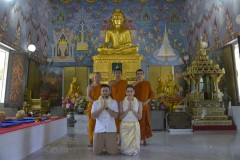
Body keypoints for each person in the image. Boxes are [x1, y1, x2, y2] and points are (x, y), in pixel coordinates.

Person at [91, 84, 119, 155]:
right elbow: (93, 116)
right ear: (100, 92)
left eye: (106, 91)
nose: (105, 92)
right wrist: (102, 107)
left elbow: (115, 116)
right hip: (99, 129)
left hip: (111, 129)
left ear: (109, 92)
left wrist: (107, 108)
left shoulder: (113, 102)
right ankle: (102, 145)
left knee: (113, 153)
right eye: (103, 91)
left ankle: (108, 146)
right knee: (96, 152)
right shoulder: (96, 103)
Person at [132, 69, 153, 146]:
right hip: (136, 106)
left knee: (146, 122)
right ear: (136, 75)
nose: (139, 75)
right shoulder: (133, 85)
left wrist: (146, 102)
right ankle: (137, 139)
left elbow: (151, 94)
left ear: (144, 75)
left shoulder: (147, 83)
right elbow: (131, 95)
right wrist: (138, 103)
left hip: (145, 105)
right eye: (138, 74)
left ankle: (144, 139)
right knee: (137, 123)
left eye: (141, 74)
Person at [119, 84, 142, 156]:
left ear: (134, 92)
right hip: (125, 124)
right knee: (125, 147)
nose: (129, 93)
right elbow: (120, 117)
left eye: (131, 91)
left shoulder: (139, 102)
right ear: (125, 92)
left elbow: (140, 117)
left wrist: (133, 110)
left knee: (134, 149)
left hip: (134, 124)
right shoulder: (121, 102)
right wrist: (128, 109)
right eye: (128, 91)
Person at [109, 68, 128, 135]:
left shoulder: (124, 82)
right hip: (114, 103)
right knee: (114, 119)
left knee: (122, 119)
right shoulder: (111, 82)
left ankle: (121, 135)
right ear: (114, 74)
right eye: (116, 73)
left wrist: (123, 102)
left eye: (119, 73)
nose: (118, 74)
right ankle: (115, 135)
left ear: (121, 74)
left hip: (122, 103)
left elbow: (127, 93)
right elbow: (109, 93)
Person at [86, 72, 102, 147]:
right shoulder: (90, 86)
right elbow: (88, 97)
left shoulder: (102, 86)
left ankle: (99, 140)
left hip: (100, 107)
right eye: (96, 77)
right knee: (91, 124)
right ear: (93, 78)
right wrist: (95, 102)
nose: (97, 78)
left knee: (99, 123)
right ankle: (91, 140)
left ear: (100, 78)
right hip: (92, 106)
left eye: (98, 77)